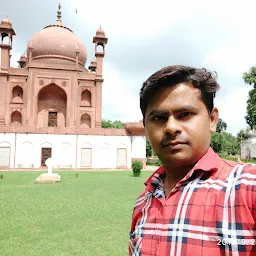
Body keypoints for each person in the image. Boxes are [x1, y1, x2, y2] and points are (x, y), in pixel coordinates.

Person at [129, 65, 256, 255]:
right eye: (158, 118)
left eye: (185, 114)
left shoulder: (246, 187)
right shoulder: (144, 202)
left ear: (212, 120)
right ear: (145, 126)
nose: (171, 127)